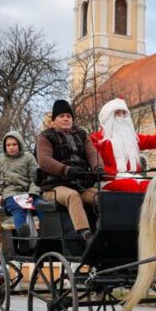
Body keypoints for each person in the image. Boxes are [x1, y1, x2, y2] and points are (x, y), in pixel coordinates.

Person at [36, 99, 104, 242]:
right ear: (54, 121)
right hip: (53, 187)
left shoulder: (82, 135)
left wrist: (98, 168)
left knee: (102, 196)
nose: (66, 119)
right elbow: (44, 160)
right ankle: (86, 235)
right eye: (61, 116)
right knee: (72, 196)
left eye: (69, 116)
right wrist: (65, 170)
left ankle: (104, 230)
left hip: (80, 185)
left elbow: (92, 153)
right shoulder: (45, 137)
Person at [89, 96, 156, 193]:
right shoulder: (97, 139)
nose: (122, 116)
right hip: (108, 180)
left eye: (124, 113)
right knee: (131, 186)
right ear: (109, 117)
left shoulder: (133, 138)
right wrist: (119, 175)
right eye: (118, 113)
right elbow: (96, 166)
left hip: (135, 179)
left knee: (155, 187)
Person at [0, 131, 42, 239]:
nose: (11, 147)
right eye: (8, 145)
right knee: (18, 209)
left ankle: (48, 237)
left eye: (14, 144)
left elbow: (36, 178)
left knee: (42, 206)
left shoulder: (28, 158)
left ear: (19, 144)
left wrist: (32, 195)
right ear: (5, 146)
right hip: (9, 194)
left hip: (28, 193)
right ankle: (22, 238)